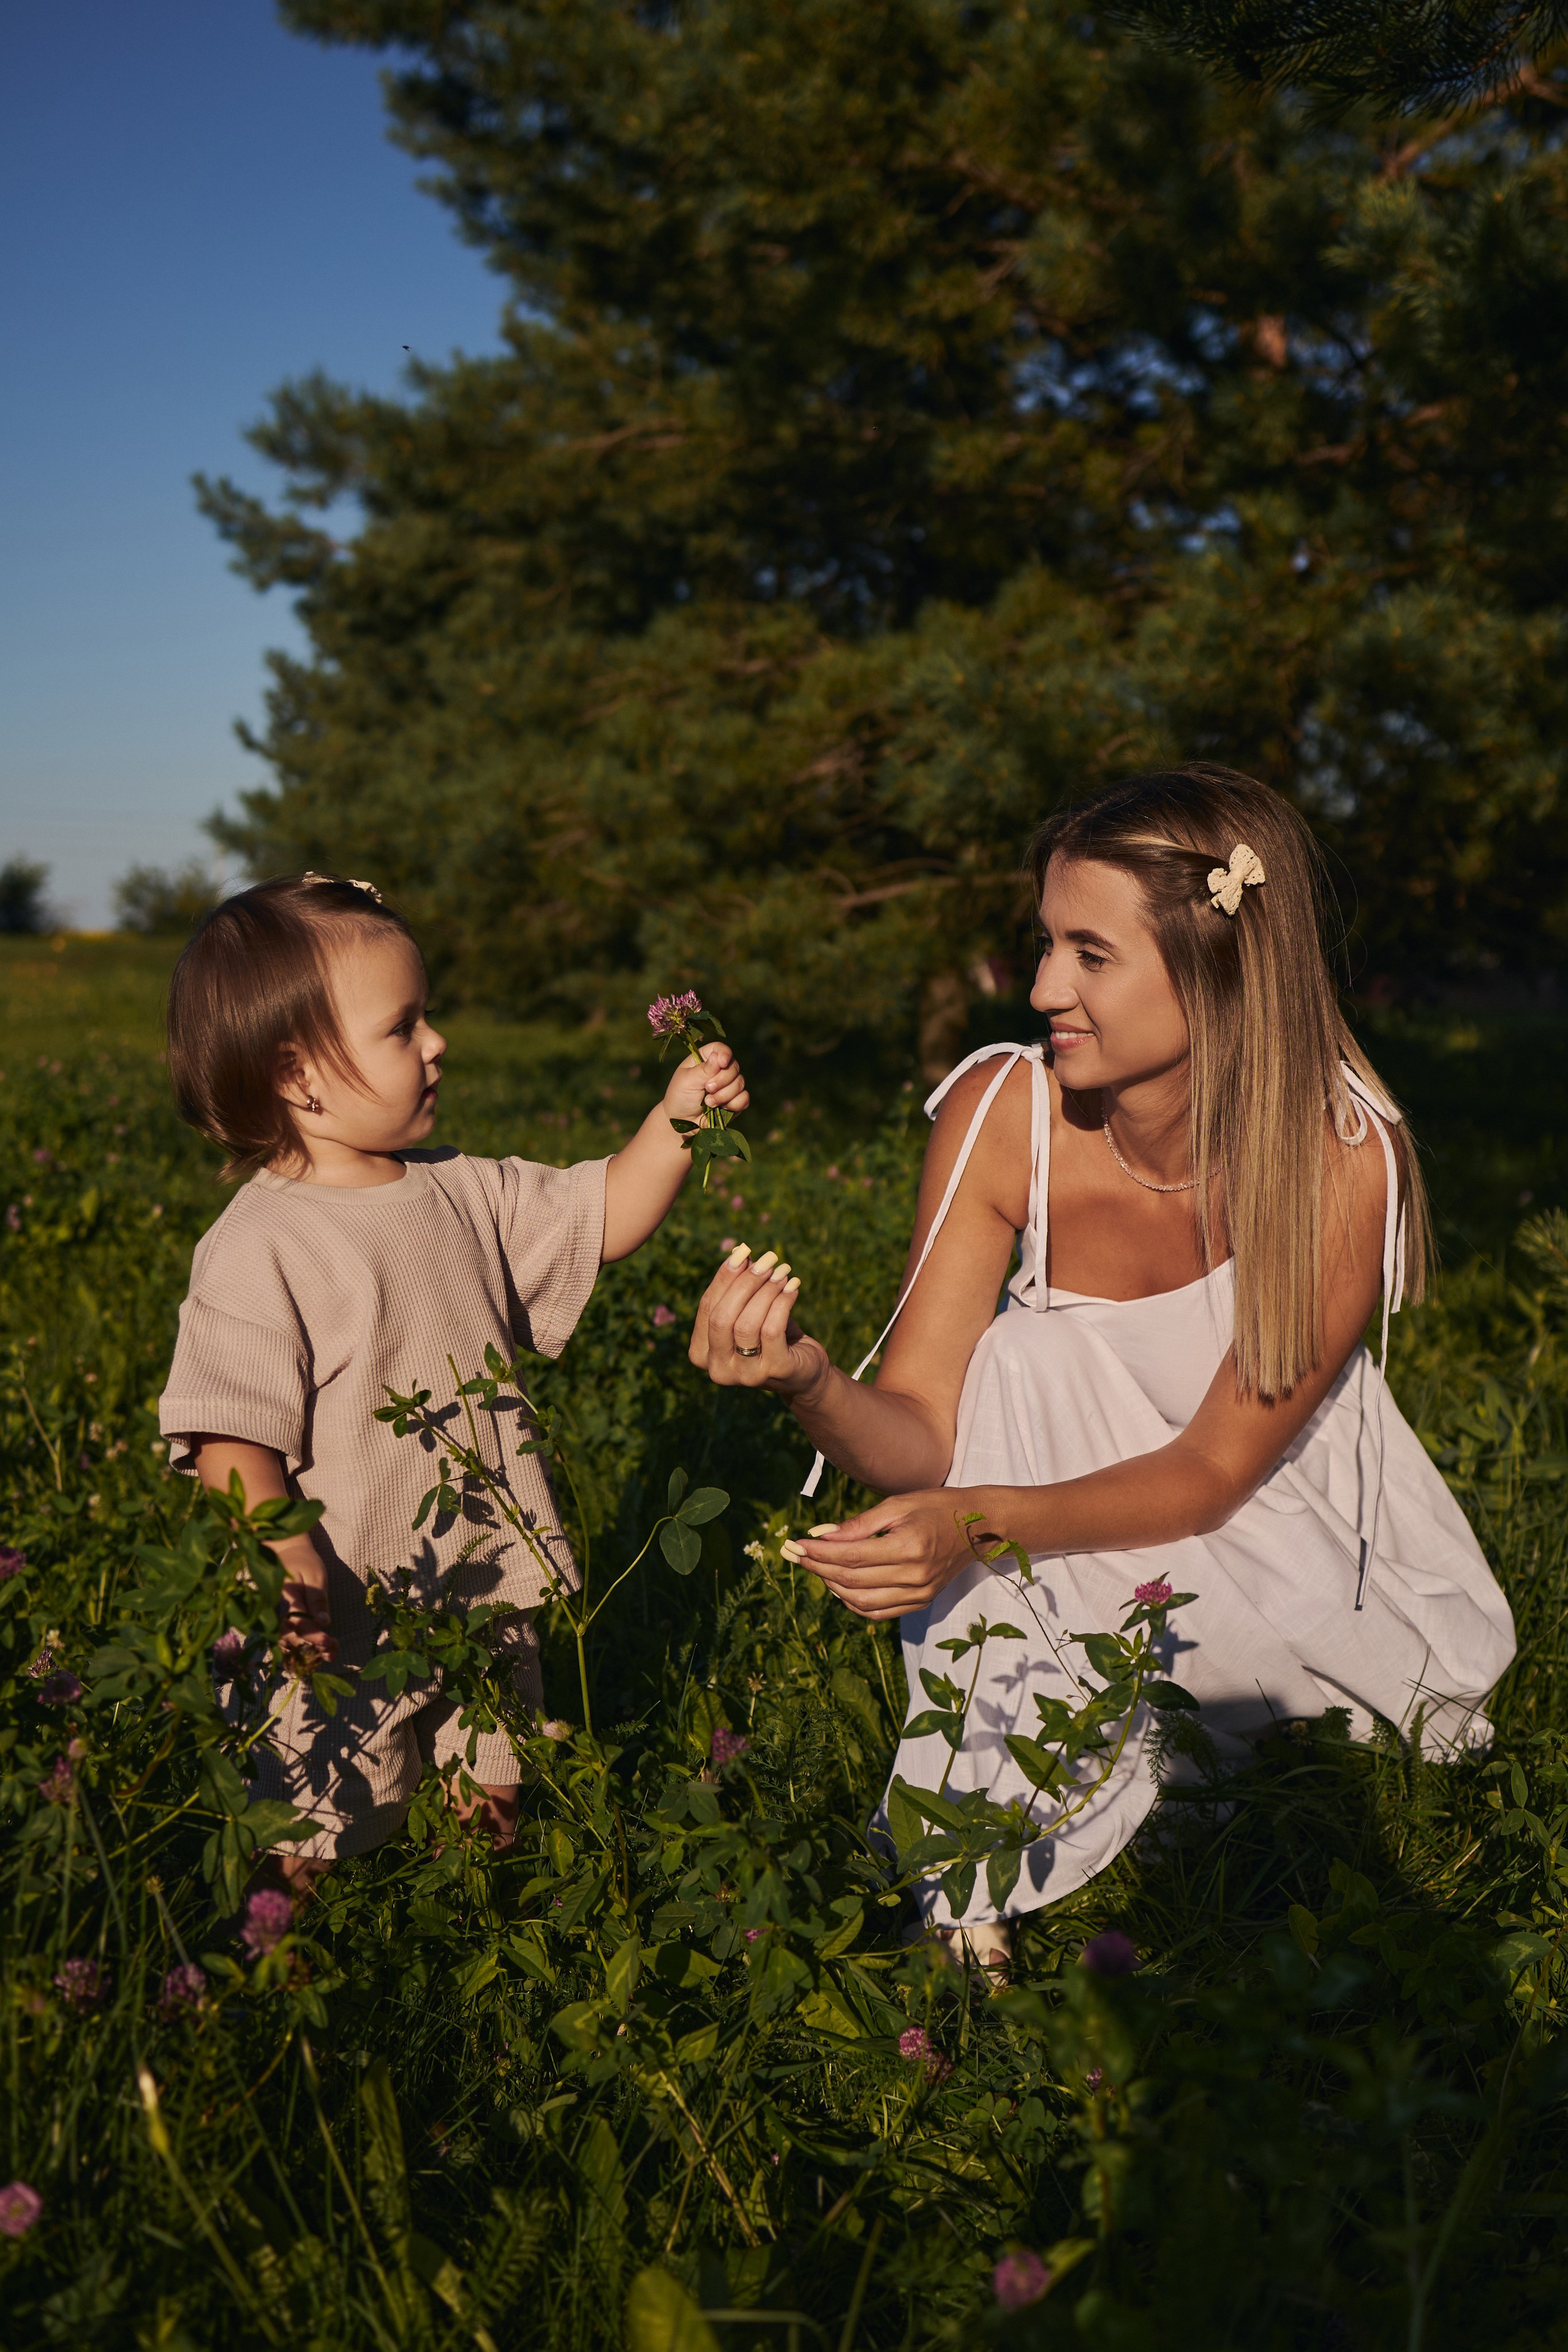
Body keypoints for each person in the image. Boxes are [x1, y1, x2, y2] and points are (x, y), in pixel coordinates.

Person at [688, 765, 1515, 1975]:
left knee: (1027, 1359)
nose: (1039, 991)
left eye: (1088, 954)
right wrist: (806, 1380)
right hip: (1070, 1548)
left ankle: (1120, 1788)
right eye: (1042, 946)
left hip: (1275, 1560)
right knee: (1020, 1357)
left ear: (1213, 964)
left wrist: (968, 1525)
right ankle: (969, 1860)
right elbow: (921, 1428)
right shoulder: (998, 1110)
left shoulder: (1340, 1151)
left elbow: (1209, 1472)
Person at [159, 873, 749, 1879]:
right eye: (403, 1027)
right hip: (340, 1614)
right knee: (315, 1827)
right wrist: (284, 1557)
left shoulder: (462, 1188)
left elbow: (602, 1212)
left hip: (486, 1584)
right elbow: (231, 1433)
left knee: (492, 1792)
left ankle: (480, 1941)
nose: (437, 1043)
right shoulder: (259, 1243)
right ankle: (288, 1983)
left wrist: (679, 1118)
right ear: (299, 1075)